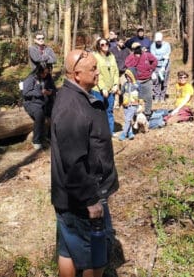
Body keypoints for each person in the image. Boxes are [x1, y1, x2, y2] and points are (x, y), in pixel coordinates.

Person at [51, 50, 119, 277]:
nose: (98, 72)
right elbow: (74, 161)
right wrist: (90, 200)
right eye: (93, 69)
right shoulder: (72, 108)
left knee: (69, 250)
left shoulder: (77, 96)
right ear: (77, 75)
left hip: (73, 195)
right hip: (82, 197)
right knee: (93, 257)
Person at [22, 62, 57, 150]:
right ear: (39, 71)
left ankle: (50, 136)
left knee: (56, 112)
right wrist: (39, 93)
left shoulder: (48, 78)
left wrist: (49, 92)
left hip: (45, 102)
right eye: (43, 73)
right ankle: (36, 140)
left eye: (47, 72)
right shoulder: (31, 78)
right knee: (39, 114)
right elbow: (25, 93)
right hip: (31, 103)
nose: (45, 75)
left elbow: (54, 90)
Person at [93, 37, 119, 134]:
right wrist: (103, 88)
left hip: (111, 88)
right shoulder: (95, 57)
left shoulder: (111, 56)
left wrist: (116, 84)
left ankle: (110, 132)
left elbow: (116, 71)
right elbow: (97, 74)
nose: (105, 46)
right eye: (102, 44)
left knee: (109, 111)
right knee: (99, 112)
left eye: (106, 44)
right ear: (99, 47)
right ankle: (99, 133)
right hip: (98, 90)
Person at [124, 42, 158, 118]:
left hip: (147, 80)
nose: (137, 49)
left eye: (138, 47)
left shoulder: (146, 54)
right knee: (137, 98)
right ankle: (136, 114)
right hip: (137, 81)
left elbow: (155, 61)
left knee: (148, 98)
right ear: (132, 49)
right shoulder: (131, 57)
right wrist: (136, 58)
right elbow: (127, 65)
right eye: (135, 48)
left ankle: (148, 113)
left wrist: (151, 68)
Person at [119, 69, 140, 141]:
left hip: (133, 105)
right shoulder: (125, 84)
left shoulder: (136, 85)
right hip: (126, 105)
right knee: (127, 120)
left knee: (128, 119)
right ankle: (130, 133)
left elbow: (141, 92)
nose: (127, 78)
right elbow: (121, 93)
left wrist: (140, 103)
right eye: (126, 76)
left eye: (129, 76)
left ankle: (124, 134)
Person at [150, 32, 171, 102]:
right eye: (157, 41)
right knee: (156, 82)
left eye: (159, 41)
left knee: (164, 82)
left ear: (162, 39)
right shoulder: (153, 46)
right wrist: (162, 57)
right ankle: (156, 97)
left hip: (165, 66)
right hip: (156, 66)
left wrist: (163, 67)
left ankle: (162, 97)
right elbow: (153, 57)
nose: (158, 42)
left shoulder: (167, 45)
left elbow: (167, 58)